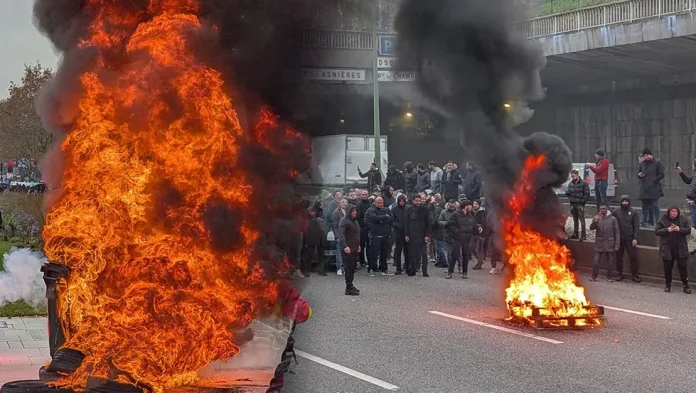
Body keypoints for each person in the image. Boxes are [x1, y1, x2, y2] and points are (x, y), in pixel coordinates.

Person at [266, 281, 312, 393]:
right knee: (276, 371)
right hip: (279, 344)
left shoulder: (255, 293)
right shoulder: (294, 302)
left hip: (257, 344)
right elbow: (307, 313)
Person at [655, 206, 692, 294]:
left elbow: (688, 230)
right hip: (667, 249)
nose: (674, 213)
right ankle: (668, 285)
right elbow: (657, 231)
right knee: (667, 268)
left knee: (683, 267)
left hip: (680, 248)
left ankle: (686, 286)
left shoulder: (683, 220)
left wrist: (679, 229)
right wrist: (668, 230)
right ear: (669, 212)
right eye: (672, 211)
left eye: (676, 211)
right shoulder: (663, 220)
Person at [445, 200, 481, 279]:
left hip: (467, 239)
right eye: (470, 205)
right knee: (454, 255)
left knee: (466, 255)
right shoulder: (455, 214)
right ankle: (450, 272)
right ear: (465, 206)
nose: (471, 207)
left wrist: (478, 228)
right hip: (457, 238)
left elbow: (474, 224)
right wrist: (457, 232)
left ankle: (465, 272)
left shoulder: (469, 215)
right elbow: (449, 225)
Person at [612, 195, 641, 283]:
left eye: (626, 201)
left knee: (633, 257)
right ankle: (619, 274)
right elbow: (612, 224)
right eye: (623, 201)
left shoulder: (634, 212)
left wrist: (635, 238)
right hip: (619, 239)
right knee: (619, 257)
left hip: (630, 238)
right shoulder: (616, 211)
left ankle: (635, 275)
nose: (625, 203)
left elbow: (636, 226)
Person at [589, 204, 620, 282]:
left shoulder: (613, 219)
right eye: (601, 209)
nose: (602, 210)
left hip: (610, 243)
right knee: (596, 261)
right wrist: (595, 221)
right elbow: (591, 228)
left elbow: (617, 232)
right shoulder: (597, 218)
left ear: (607, 209)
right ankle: (594, 276)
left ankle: (609, 277)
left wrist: (617, 245)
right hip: (599, 243)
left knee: (610, 262)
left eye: (604, 208)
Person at [365, 197, 394, 276]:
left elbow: (391, 218)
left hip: (385, 234)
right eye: (378, 202)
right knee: (373, 253)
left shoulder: (387, 210)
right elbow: (373, 218)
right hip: (375, 235)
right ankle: (372, 268)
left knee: (384, 253)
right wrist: (385, 217)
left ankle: (383, 268)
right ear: (375, 202)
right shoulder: (370, 210)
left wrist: (380, 221)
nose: (380, 204)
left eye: (381, 202)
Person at [405, 193, 431, 277]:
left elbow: (428, 224)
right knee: (412, 253)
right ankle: (412, 269)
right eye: (416, 201)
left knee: (423, 254)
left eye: (419, 201)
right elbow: (406, 223)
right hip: (412, 233)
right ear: (413, 201)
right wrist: (406, 234)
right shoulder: (409, 210)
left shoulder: (425, 210)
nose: (418, 202)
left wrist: (427, 235)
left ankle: (424, 271)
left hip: (422, 234)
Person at [338, 205, 362, 296]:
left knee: (352, 268)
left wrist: (358, 245)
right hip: (348, 248)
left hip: (354, 248)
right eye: (353, 211)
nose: (355, 212)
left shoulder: (355, 221)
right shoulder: (344, 221)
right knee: (348, 268)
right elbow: (341, 235)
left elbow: (357, 234)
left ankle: (350, 285)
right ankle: (348, 287)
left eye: (355, 211)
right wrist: (345, 246)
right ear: (349, 212)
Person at [638, 148, 664, 227]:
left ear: (651, 155)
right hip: (644, 188)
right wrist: (640, 175)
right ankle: (646, 220)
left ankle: (657, 221)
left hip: (654, 188)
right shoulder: (642, 163)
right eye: (644, 155)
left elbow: (661, 174)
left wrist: (654, 180)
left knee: (655, 205)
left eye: (647, 155)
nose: (646, 157)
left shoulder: (657, 162)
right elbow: (639, 172)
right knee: (645, 206)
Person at [566, 169, 590, 241]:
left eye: (573, 176)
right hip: (573, 205)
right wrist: (568, 194)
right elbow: (569, 193)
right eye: (571, 176)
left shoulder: (584, 184)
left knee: (582, 220)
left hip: (580, 205)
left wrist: (582, 202)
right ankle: (575, 234)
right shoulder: (570, 184)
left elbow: (587, 194)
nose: (572, 178)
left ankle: (583, 235)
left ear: (577, 175)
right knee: (575, 220)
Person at [302, 207, 326, 277]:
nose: (313, 213)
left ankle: (321, 269)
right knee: (310, 254)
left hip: (320, 234)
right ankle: (306, 269)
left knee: (321, 254)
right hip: (311, 234)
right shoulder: (308, 210)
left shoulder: (320, 208)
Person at [391, 194, 409, 275]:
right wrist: (397, 225)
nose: (401, 203)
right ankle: (398, 268)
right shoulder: (394, 209)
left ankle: (407, 266)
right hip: (398, 232)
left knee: (407, 250)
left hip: (407, 232)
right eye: (400, 201)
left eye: (403, 201)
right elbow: (392, 219)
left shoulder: (408, 208)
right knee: (398, 250)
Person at [676, 159, 696, 231]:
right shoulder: (695, 175)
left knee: (694, 222)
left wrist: (693, 201)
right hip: (692, 202)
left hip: (693, 202)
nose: (692, 166)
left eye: (693, 164)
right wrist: (680, 172)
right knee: (693, 219)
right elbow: (687, 180)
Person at [330, 198, 349, 276]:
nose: (344, 203)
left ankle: (346, 267)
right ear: (339, 204)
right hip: (340, 235)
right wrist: (337, 236)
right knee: (339, 252)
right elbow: (334, 226)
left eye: (346, 202)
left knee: (347, 252)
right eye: (342, 202)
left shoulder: (349, 211)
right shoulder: (336, 212)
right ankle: (339, 268)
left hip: (348, 235)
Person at [439, 199, 458, 270]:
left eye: (453, 203)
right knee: (449, 253)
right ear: (448, 204)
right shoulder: (443, 212)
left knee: (458, 254)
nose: (452, 205)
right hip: (447, 235)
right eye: (451, 204)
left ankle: (460, 267)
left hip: (457, 235)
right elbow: (440, 221)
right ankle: (450, 267)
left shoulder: (458, 212)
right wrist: (446, 223)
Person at [430, 194, 448, 268]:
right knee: (440, 246)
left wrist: (431, 226)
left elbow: (436, 219)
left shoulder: (438, 209)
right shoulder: (443, 207)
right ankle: (440, 261)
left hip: (437, 230)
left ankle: (444, 261)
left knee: (439, 247)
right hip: (442, 230)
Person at [356, 190, 372, 266]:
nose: (365, 196)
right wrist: (362, 225)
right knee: (361, 245)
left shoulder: (370, 203)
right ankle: (362, 260)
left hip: (369, 227)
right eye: (363, 194)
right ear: (361, 195)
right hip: (362, 227)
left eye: (366, 194)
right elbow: (358, 217)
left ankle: (369, 260)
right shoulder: (359, 205)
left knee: (369, 245)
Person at [470, 200, 488, 270]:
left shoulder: (483, 213)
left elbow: (484, 223)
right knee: (472, 247)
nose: (474, 205)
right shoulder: (471, 212)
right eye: (473, 204)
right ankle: (481, 260)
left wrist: (481, 229)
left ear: (479, 205)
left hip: (481, 234)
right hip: (473, 233)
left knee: (479, 249)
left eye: (476, 204)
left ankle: (479, 264)